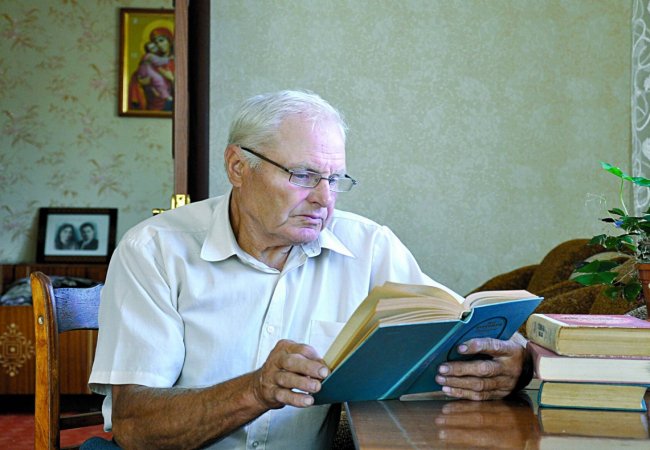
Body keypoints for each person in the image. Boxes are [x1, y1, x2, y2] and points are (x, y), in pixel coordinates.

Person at [87, 90, 531, 449]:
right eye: (303, 175)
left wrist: (515, 363)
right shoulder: (154, 250)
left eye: (335, 179)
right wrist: (255, 390)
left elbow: (458, 326)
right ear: (238, 167)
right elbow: (135, 426)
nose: (324, 199)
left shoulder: (368, 247)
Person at [128, 27, 174, 112]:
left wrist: (172, 78)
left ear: (169, 41)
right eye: (156, 43)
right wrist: (140, 81)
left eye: (161, 41)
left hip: (169, 104)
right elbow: (138, 76)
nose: (159, 45)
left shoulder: (176, 61)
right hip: (151, 102)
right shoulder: (152, 58)